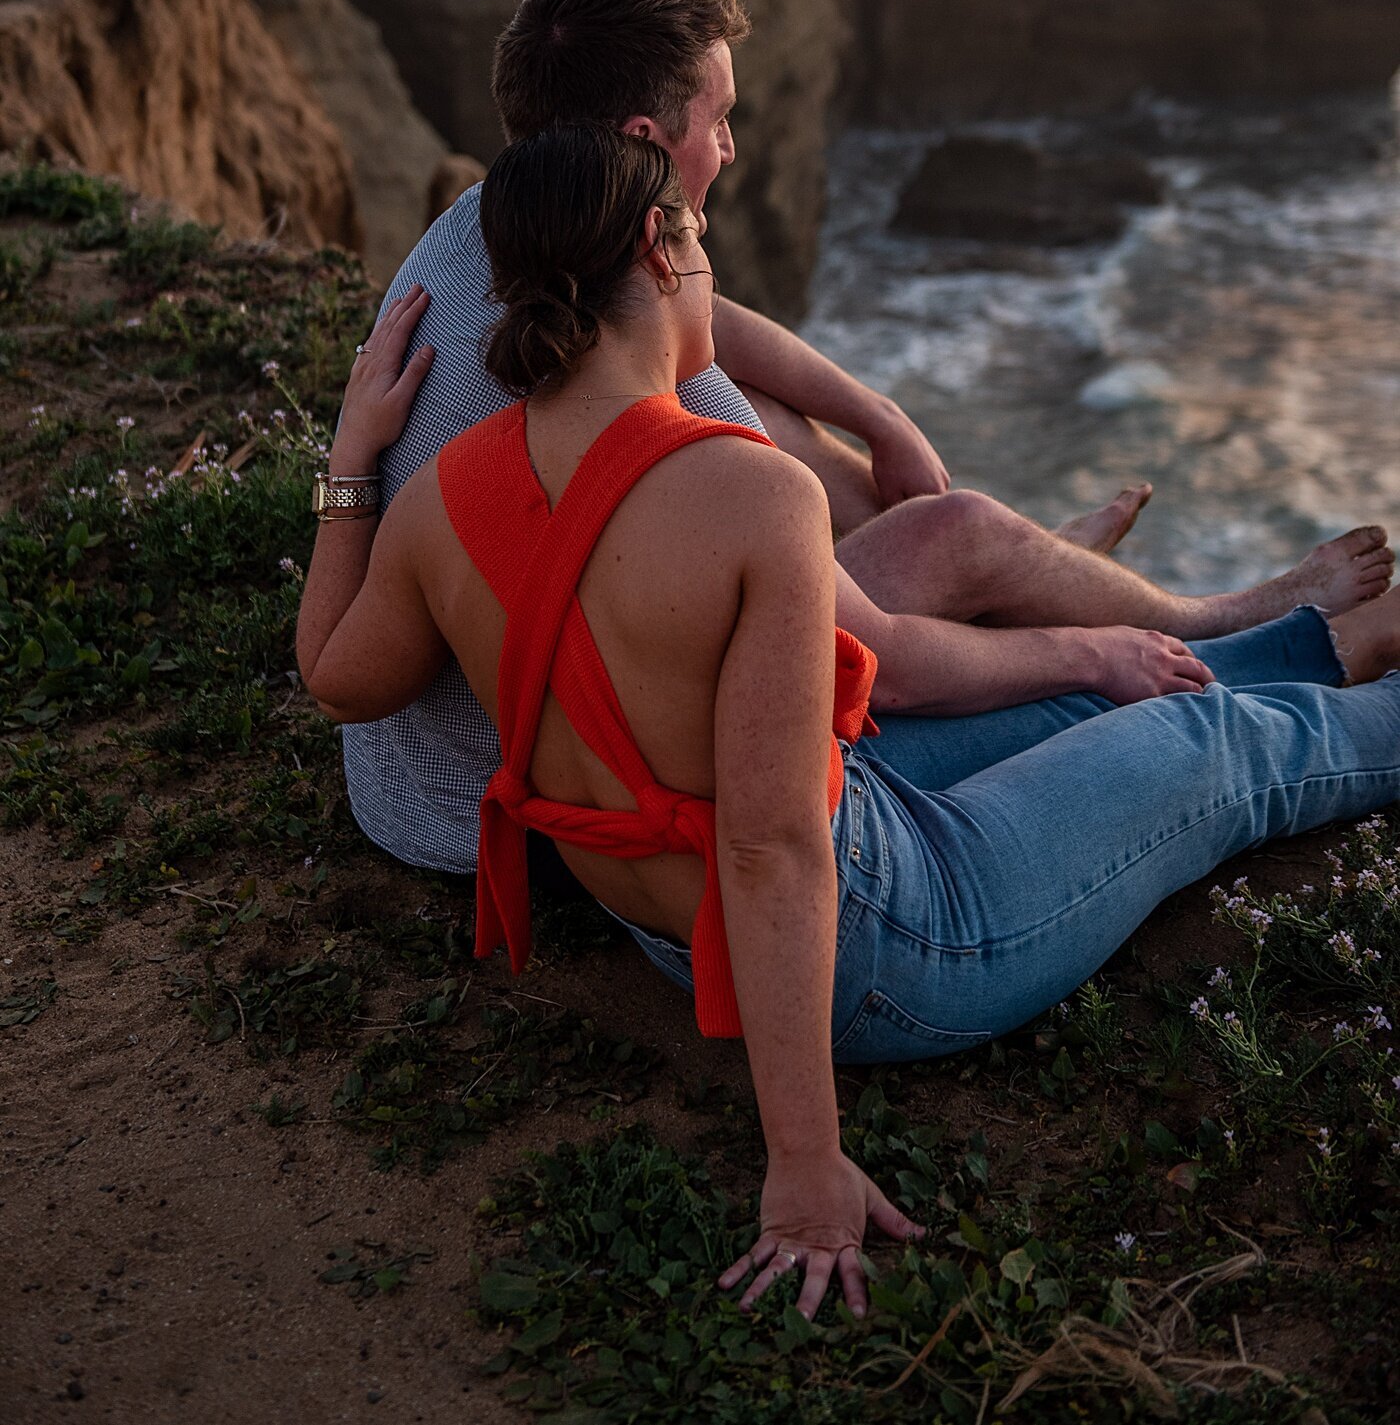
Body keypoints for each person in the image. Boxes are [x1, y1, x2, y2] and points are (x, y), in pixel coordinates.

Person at [298, 122, 1400, 1318]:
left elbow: (339, 679)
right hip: (883, 946)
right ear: (658, 256)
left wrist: (354, 460)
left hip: (666, 917)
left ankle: (1313, 647)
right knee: (1202, 746)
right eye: (704, 240)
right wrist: (802, 1168)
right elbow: (772, 846)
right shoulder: (747, 492)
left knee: (1087, 693)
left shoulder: (446, 491)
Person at [341, 0, 1392, 881]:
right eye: (718, 121)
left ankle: (1037, 594)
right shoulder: (639, 394)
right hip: (553, 814)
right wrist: (1083, 651)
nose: (734, 149)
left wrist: (872, 410)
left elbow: (720, 332)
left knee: (781, 430)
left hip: (437, 776)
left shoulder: (490, 235)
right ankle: (1202, 624)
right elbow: (875, 654)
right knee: (959, 535)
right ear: (642, 141)